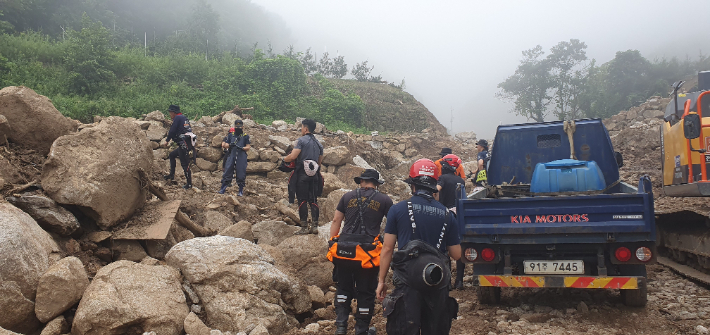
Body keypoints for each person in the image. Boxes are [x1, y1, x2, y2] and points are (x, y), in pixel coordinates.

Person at [376, 159, 461, 335]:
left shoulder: (398, 210)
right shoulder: (447, 215)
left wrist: (381, 281)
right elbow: (456, 254)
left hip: (407, 281)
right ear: (433, 186)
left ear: (412, 185)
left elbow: (387, 249)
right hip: (437, 280)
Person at [328, 169, 393, 335]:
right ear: (376, 184)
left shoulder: (347, 196)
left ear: (362, 181)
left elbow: (336, 220)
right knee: (366, 292)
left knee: (343, 288)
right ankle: (361, 330)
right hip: (367, 254)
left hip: (343, 250)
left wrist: (332, 242)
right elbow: (393, 225)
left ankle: (341, 327)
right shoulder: (384, 199)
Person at [284, 119, 324, 235]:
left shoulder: (301, 141)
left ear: (305, 128)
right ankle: (315, 226)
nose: (301, 130)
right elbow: (319, 162)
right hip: (315, 175)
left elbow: (293, 156)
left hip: (302, 174)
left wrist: (283, 159)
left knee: (302, 199)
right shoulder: (319, 144)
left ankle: (304, 227)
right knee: (313, 200)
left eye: (302, 127)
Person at [436, 154, 467, 290]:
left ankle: (447, 282)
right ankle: (459, 281)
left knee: (444, 249)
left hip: (444, 215)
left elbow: (437, 190)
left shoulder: (442, 179)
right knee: (458, 247)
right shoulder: (461, 180)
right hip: (458, 216)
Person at [163, 105, 193, 189]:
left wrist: (167, 140)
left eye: (170, 112)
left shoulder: (177, 118)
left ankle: (189, 184)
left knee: (184, 164)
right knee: (172, 155)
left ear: (173, 112)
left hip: (184, 144)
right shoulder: (184, 118)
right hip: (186, 143)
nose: (169, 114)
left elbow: (172, 130)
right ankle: (171, 175)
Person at [219, 119, 251, 196]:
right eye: (236, 127)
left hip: (241, 156)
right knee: (228, 171)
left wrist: (242, 148)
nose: (238, 128)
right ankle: (223, 188)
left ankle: (240, 190)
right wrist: (230, 145)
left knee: (241, 173)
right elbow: (225, 145)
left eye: (239, 127)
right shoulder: (231, 135)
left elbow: (248, 147)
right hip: (232, 155)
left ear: (242, 127)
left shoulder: (245, 136)